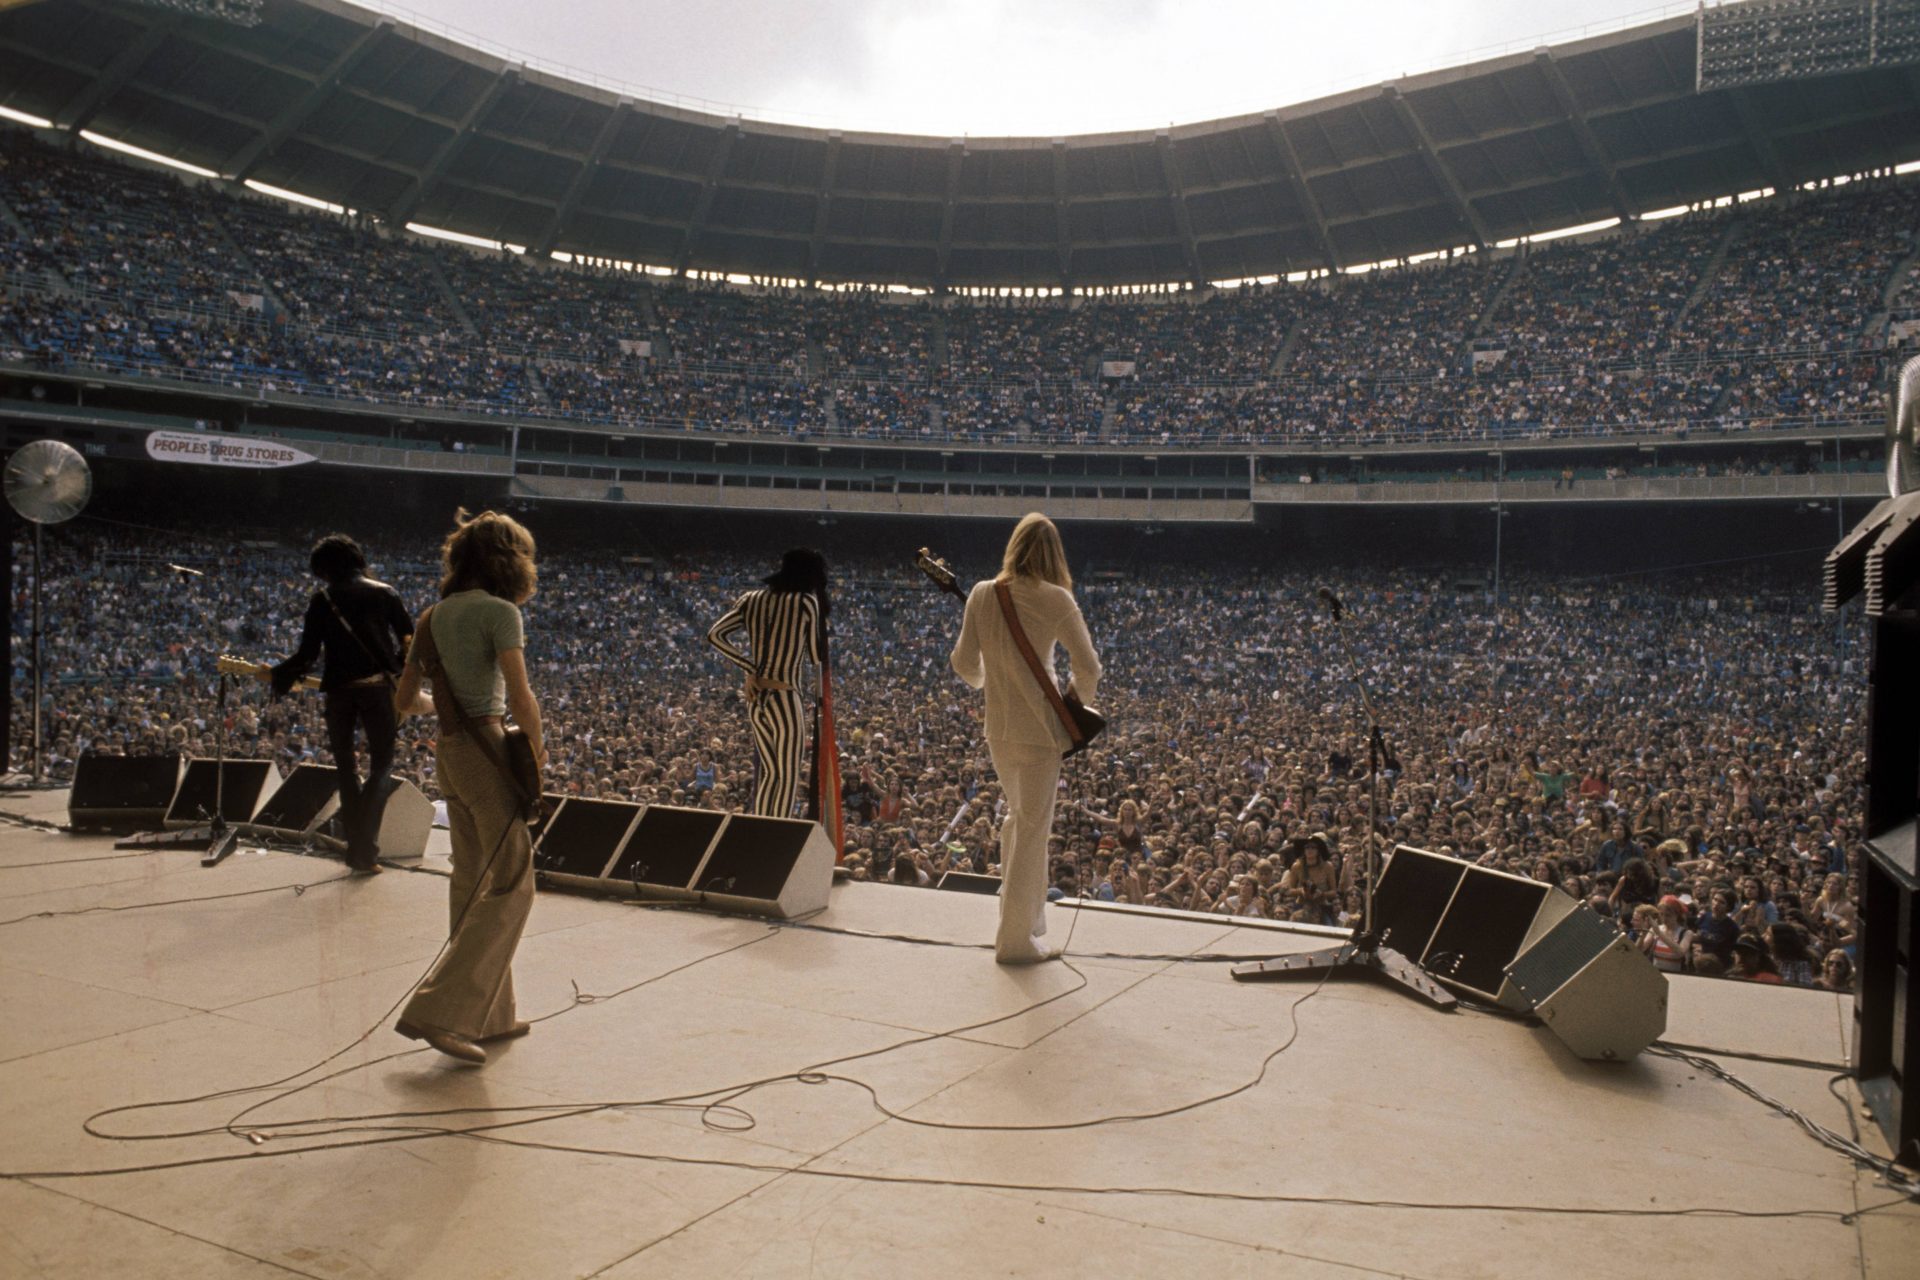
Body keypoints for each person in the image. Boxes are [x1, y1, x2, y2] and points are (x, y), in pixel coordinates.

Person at [391, 510, 544, 1066]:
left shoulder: (432, 617)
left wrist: (442, 703)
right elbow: (521, 696)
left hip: (450, 753)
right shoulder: (499, 612)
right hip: (487, 749)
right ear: (511, 561)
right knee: (511, 884)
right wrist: (536, 752)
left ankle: (488, 1015)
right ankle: (442, 1012)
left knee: (472, 878)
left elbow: (406, 702)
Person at [951, 513, 1102, 964]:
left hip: (998, 728)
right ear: (1055, 554)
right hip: (1040, 732)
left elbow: (963, 662)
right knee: (1032, 828)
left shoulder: (981, 592)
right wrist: (1077, 701)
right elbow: (1088, 667)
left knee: (1019, 820)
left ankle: (1026, 924)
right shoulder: (1057, 599)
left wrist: (991, 680)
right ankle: (1014, 941)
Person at [269, 533, 413, 872]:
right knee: (382, 766)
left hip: (339, 694)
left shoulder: (322, 600)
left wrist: (281, 672)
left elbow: (307, 655)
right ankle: (365, 850)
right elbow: (410, 642)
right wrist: (395, 666)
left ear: (324, 569)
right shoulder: (385, 593)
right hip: (378, 690)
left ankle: (356, 847)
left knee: (346, 769)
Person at [705, 548, 827, 818]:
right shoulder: (805, 602)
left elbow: (715, 634)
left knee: (769, 774)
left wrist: (750, 668)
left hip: (756, 698)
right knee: (787, 775)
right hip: (785, 694)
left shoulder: (750, 599)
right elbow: (816, 655)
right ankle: (779, 829)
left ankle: (760, 827)